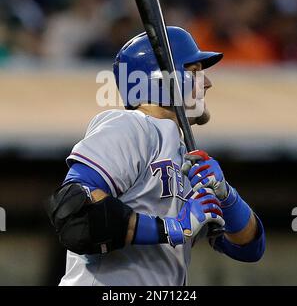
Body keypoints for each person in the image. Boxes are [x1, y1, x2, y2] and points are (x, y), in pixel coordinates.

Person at [47, 26, 265, 286]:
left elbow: (249, 248)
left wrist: (226, 196)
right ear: (160, 80)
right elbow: (74, 212)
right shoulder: (130, 126)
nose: (207, 82)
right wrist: (171, 228)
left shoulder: (186, 158)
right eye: (194, 71)